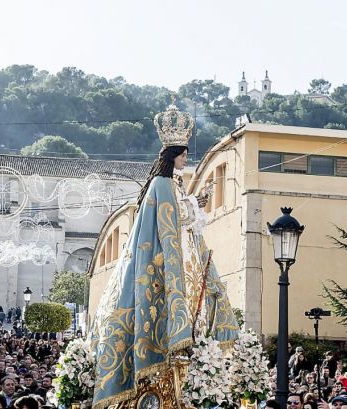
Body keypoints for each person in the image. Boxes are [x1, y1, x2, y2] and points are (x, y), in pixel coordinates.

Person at [90, 101, 238, 407]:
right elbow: (168, 219)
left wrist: (196, 201)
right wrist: (195, 203)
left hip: (182, 257)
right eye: (183, 154)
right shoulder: (161, 183)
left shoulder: (174, 184)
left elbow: (183, 217)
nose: (186, 158)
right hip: (163, 260)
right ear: (173, 155)